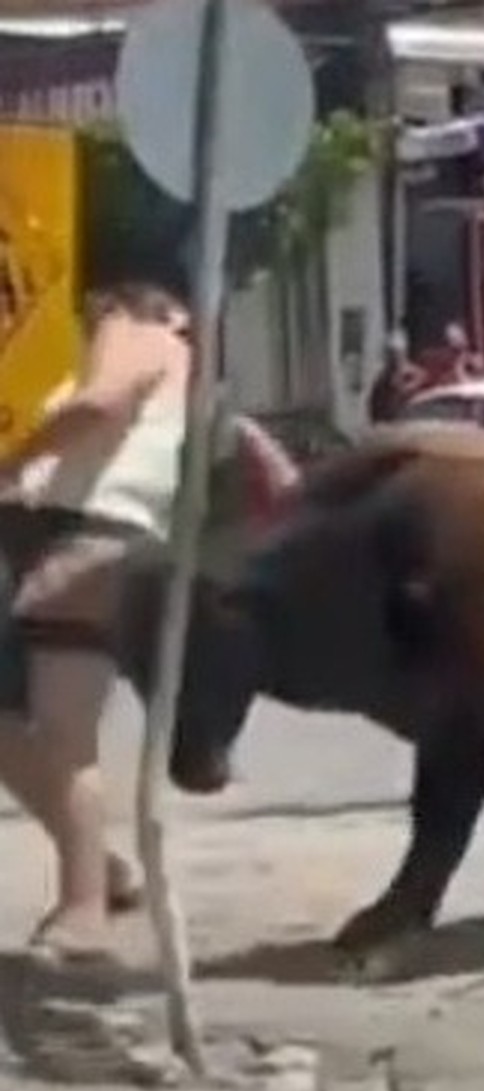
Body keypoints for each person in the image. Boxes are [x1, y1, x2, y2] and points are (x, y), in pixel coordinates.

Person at [0, 280, 300, 962]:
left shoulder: (133, 328)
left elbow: (98, 406)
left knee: (65, 737)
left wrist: (12, 464)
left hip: (87, 541)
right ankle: (103, 872)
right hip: (101, 541)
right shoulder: (194, 378)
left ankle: (83, 915)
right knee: (19, 726)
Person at [367, 330, 426, 424]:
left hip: (402, 418)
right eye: (392, 353)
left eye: (397, 353)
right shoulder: (384, 377)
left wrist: (409, 388)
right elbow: (375, 404)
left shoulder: (409, 371)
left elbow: (421, 378)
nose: (395, 356)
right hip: (388, 419)